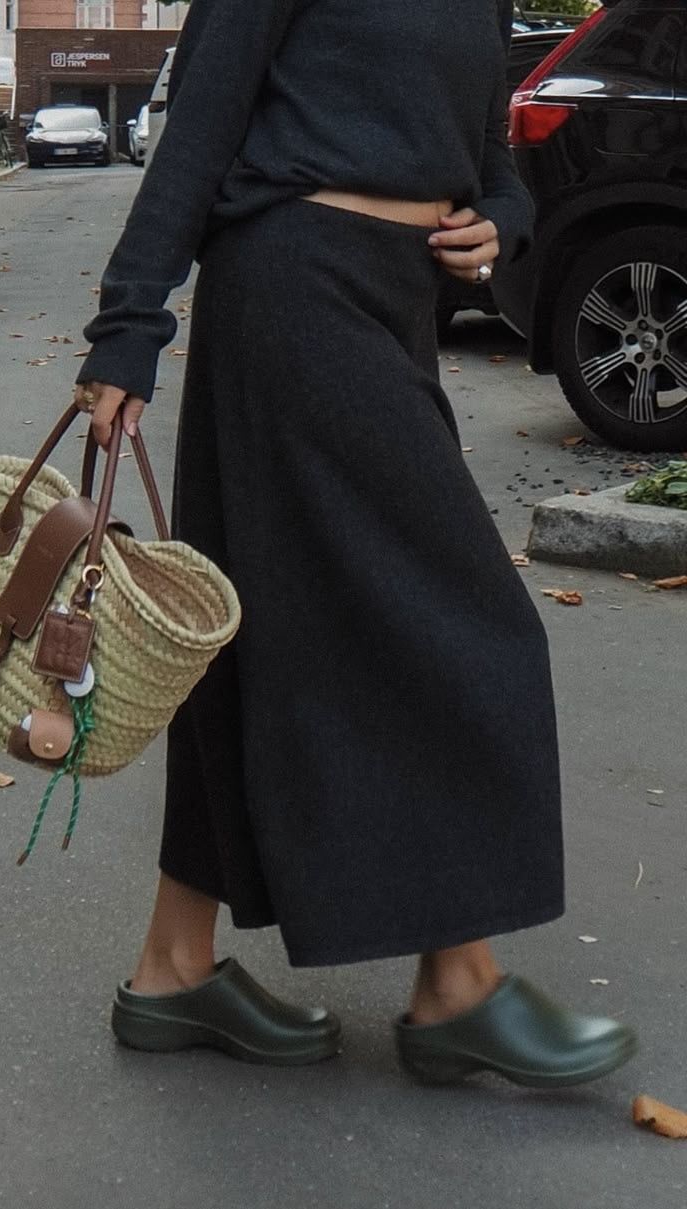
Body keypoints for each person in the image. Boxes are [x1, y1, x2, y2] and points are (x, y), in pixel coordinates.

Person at [74, 0, 637, 1086]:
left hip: (396, 303)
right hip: (292, 287)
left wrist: (503, 224)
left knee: (252, 630)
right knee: (464, 618)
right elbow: (198, 127)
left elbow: (487, 165)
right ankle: (456, 986)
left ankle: (173, 966)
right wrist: (129, 325)